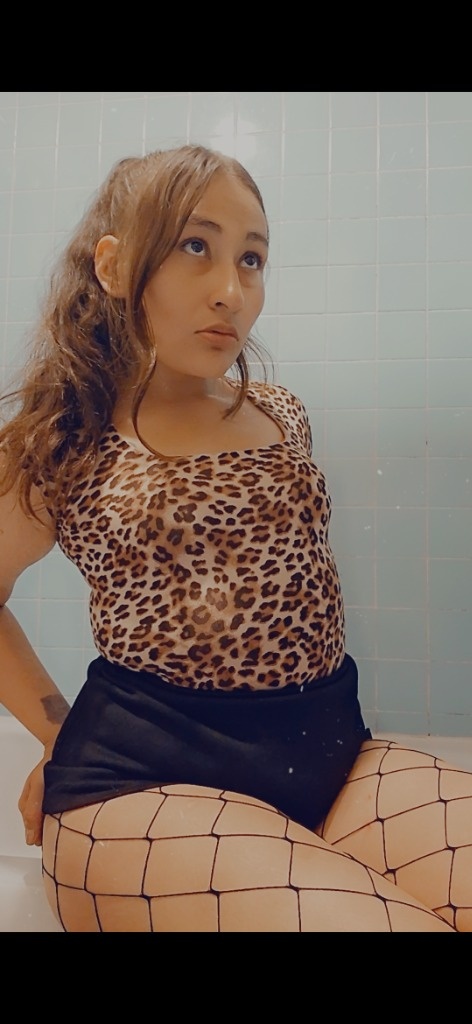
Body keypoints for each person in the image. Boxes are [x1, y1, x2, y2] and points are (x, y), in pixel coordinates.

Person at [0, 143, 470, 933]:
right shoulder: (63, 439)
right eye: (196, 245)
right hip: (140, 784)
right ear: (113, 266)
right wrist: (55, 729)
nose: (231, 289)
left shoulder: (280, 412)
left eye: (251, 258)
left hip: (331, 758)